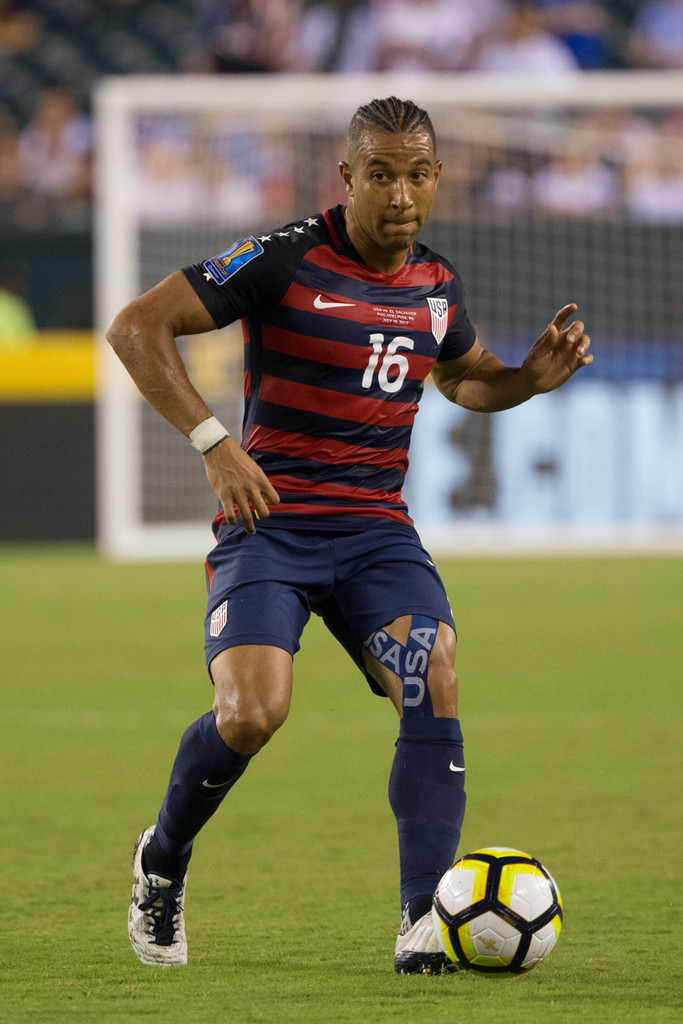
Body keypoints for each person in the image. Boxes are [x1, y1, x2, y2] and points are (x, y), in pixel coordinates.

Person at [107, 96, 592, 974]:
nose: (400, 194)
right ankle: (162, 859)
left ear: (437, 178)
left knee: (432, 676)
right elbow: (135, 325)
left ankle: (421, 918)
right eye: (381, 174)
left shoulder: (436, 284)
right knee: (251, 715)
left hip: (374, 533)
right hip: (270, 526)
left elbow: (464, 379)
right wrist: (214, 443)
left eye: (417, 175)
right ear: (347, 177)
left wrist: (525, 380)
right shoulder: (283, 258)